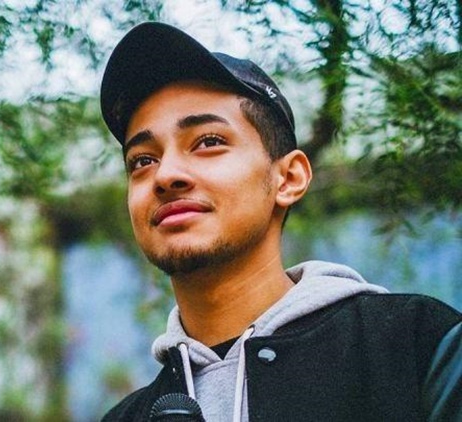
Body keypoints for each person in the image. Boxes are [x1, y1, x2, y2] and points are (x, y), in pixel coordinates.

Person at [99, 22, 462, 421]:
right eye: (142, 161)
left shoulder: (419, 347)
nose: (165, 175)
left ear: (288, 178)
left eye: (208, 142)